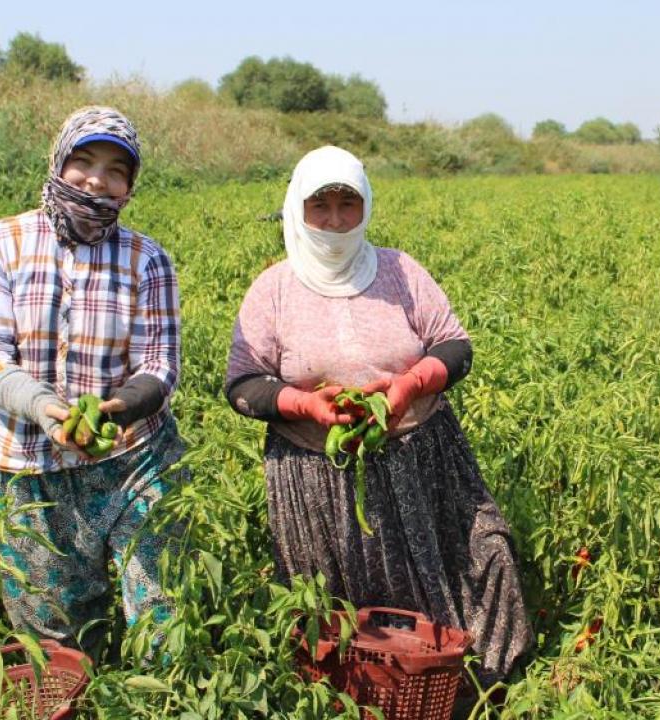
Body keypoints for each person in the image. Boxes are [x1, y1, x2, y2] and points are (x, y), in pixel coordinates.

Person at [224, 145, 531, 687]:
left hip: (424, 459)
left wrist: (411, 384)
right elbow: (243, 385)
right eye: (321, 205)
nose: (337, 220)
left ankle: (468, 685)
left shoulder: (398, 270)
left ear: (366, 206)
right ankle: (365, 693)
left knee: (485, 554)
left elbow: (455, 346)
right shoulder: (272, 289)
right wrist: (307, 404)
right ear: (297, 207)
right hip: (319, 475)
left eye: (350, 204)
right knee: (349, 608)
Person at [0, 106, 186, 655]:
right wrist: (42, 407)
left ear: (129, 186)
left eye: (115, 170)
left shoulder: (146, 258)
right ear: (58, 163)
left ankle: (159, 702)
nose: (97, 180)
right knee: (55, 629)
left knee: (163, 614)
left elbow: (159, 363)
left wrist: (120, 409)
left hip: (131, 460)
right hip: (24, 466)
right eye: (83, 162)